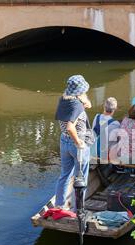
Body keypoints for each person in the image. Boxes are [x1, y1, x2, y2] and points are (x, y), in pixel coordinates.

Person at [55, 75, 95, 211]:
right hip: (76, 144)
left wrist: (85, 103)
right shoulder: (77, 105)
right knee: (80, 179)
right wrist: (79, 143)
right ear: (80, 91)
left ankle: (59, 205)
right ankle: (78, 209)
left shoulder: (63, 99)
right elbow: (70, 127)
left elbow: (71, 115)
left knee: (64, 175)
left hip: (64, 141)